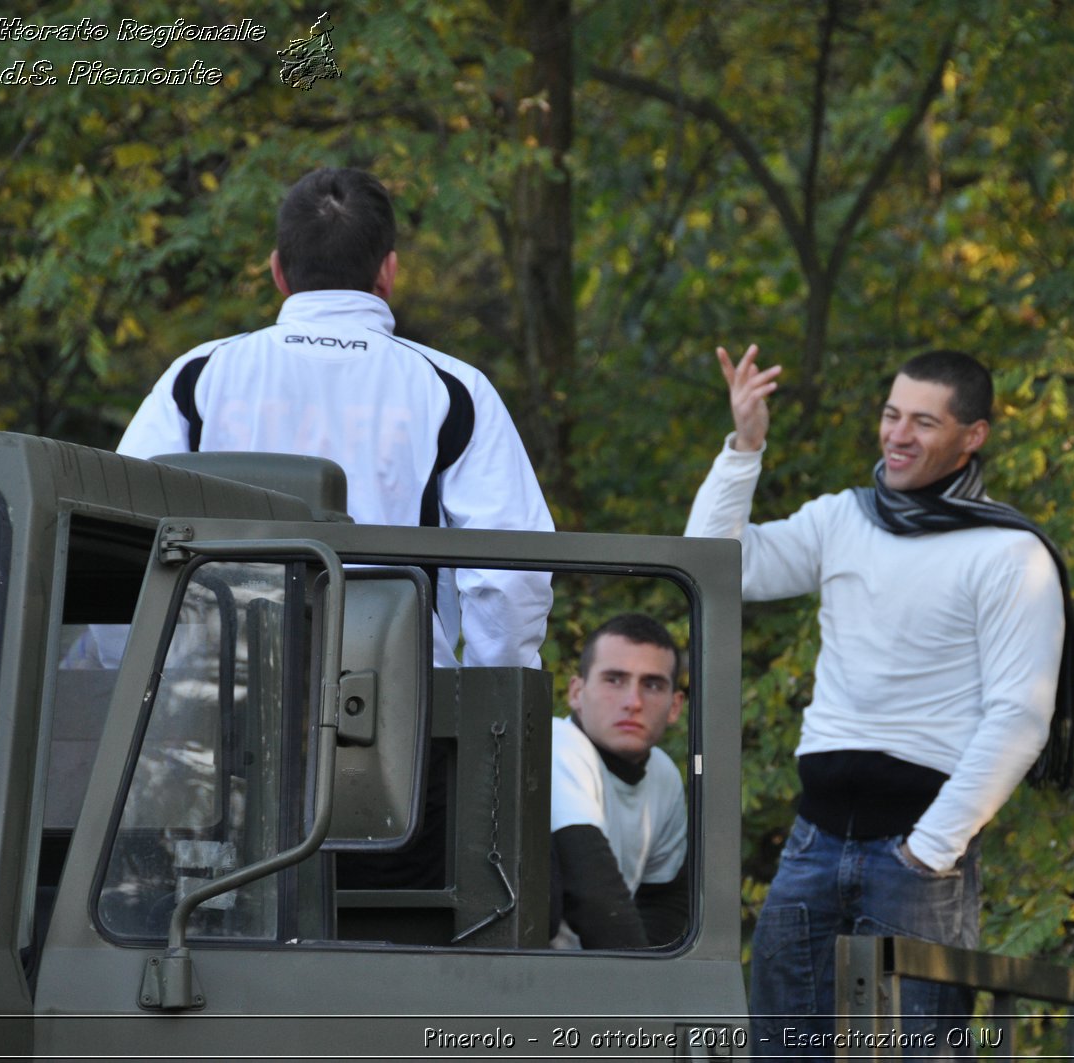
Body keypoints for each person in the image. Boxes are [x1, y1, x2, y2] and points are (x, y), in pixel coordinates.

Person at [685, 345, 1074, 1056]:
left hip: (919, 856)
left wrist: (929, 850)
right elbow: (713, 564)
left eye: (923, 422)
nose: (897, 434)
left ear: (973, 436)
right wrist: (745, 445)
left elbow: (1020, 716)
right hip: (813, 840)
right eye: (891, 414)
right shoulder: (844, 517)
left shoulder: (1008, 553)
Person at [117, 167, 553, 669]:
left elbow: (122, 531)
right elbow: (511, 576)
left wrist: (139, 687)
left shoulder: (199, 375)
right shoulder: (453, 389)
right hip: (399, 710)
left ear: (278, 270)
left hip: (212, 703)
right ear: (387, 271)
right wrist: (485, 708)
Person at [549, 613, 690, 950]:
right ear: (576, 693)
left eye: (652, 684)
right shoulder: (557, 744)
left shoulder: (664, 774)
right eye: (614, 680)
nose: (633, 702)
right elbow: (594, 898)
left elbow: (664, 902)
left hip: (605, 979)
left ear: (675, 706)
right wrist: (644, 997)